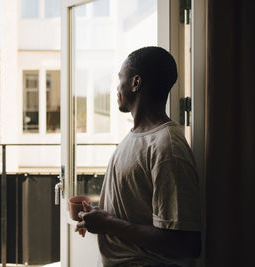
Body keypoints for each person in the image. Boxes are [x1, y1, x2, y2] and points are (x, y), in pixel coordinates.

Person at [76, 47, 201, 267]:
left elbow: (186, 244)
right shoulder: (135, 137)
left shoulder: (167, 147)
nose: (117, 87)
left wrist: (109, 224)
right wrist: (100, 216)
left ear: (136, 83)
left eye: (120, 78)